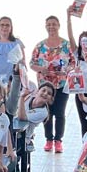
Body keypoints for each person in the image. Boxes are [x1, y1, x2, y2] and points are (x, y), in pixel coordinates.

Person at [31, 15, 72, 152]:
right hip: (45, 86)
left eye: (54, 24)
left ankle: (58, 141)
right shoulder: (40, 46)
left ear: (59, 26)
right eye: (49, 24)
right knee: (47, 112)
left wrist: (66, 70)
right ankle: (48, 139)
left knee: (60, 113)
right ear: (45, 26)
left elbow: (73, 63)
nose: (51, 27)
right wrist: (41, 69)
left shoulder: (66, 45)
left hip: (61, 84)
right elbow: (32, 63)